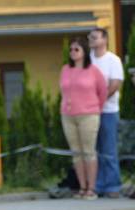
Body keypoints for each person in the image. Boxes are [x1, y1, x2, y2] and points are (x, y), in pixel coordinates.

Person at [59, 37, 107, 199]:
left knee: (88, 152)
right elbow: (63, 91)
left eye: (76, 49)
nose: (73, 52)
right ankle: (82, 186)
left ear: (84, 51)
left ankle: (91, 188)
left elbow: (103, 91)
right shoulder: (65, 69)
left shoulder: (93, 70)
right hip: (68, 115)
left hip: (88, 115)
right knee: (76, 153)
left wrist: (95, 109)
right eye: (71, 50)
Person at [88, 27, 124, 198]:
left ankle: (113, 185)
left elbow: (115, 84)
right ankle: (98, 185)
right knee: (94, 150)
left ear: (104, 40)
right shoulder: (87, 60)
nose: (91, 40)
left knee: (108, 149)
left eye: (95, 37)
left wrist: (99, 101)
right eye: (90, 37)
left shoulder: (113, 60)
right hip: (89, 112)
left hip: (108, 111)